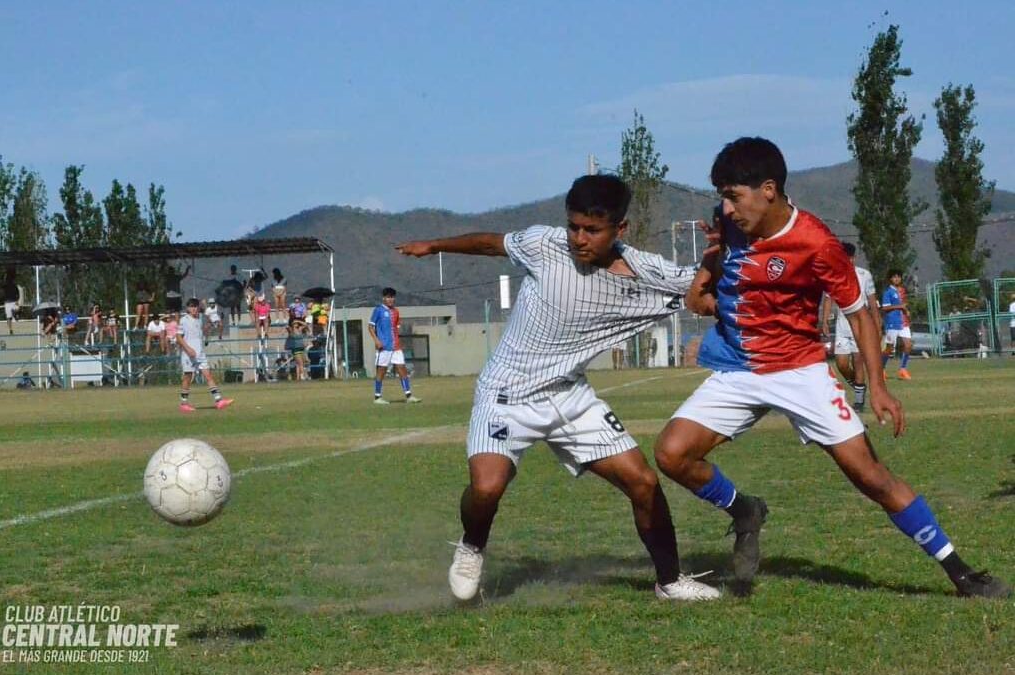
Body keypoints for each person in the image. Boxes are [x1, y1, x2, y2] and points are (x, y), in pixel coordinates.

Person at [652, 136, 1009, 599]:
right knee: (671, 453)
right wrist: (712, 263)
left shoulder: (816, 243)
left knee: (870, 477)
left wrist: (877, 386)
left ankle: (961, 572)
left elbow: (860, 313)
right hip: (741, 368)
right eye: (722, 196)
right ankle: (745, 511)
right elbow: (700, 298)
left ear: (768, 190)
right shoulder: (730, 223)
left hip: (800, 372)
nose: (727, 207)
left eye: (733, 196)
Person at [397, 174, 719, 602]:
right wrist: (435, 245)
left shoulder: (647, 272)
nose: (579, 239)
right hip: (506, 393)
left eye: (592, 230)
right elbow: (491, 242)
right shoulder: (543, 245)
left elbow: (702, 288)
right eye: (574, 226)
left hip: (569, 396)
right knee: (488, 487)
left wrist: (721, 252)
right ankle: (472, 546)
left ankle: (669, 581)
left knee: (642, 482)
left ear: (619, 230)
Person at [820, 242, 882, 412]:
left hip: (861, 325)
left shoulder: (864, 275)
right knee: (841, 364)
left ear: (854, 258)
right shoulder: (833, 274)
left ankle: (859, 402)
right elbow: (828, 299)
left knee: (858, 362)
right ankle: (859, 388)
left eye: (849, 258)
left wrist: (877, 326)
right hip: (842, 327)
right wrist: (824, 321)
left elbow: (872, 303)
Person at [174, 298, 233, 412]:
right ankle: (184, 403)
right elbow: (178, 337)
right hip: (188, 354)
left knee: (208, 375)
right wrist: (188, 349)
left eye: (195, 306)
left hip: (200, 353)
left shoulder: (199, 319)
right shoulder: (184, 320)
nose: (194, 309)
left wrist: (208, 328)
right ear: (187, 308)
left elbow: (200, 332)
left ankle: (219, 400)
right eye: (191, 306)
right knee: (188, 377)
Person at [367, 287, 421, 404]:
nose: (390, 299)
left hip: (396, 346)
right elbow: (370, 327)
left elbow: (396, 329)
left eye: (392, 297)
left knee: (402, 368)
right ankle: (377, 397)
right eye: (388, 297)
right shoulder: (378, 310)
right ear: (383, 298)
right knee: (381, 370)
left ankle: (409, 395)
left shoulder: (396, 312)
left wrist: (399, 342)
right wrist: (377, 341)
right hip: (384, 347)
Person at [880, 270, 913, 380]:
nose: (897, 279)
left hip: (903, 322)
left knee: (908, 345)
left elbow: (903, 305)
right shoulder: (888, 292)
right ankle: (881, 370)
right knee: (889, 348)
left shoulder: (902, 291)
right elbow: (884, 307)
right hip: (892, 322)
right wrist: (899, 307)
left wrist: (906, 311)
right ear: (890, 279)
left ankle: (903, 370)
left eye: (898, 277)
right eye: (894, 277)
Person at [2, 269, 21, 334]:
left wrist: (17, 300)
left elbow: (18, 294)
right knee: (8, 317)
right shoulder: (5, 285)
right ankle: (10, 329)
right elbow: (3, 280)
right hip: (7, 302)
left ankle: (15, 314)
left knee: (17, 309)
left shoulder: (14, 285)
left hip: (13, 301)